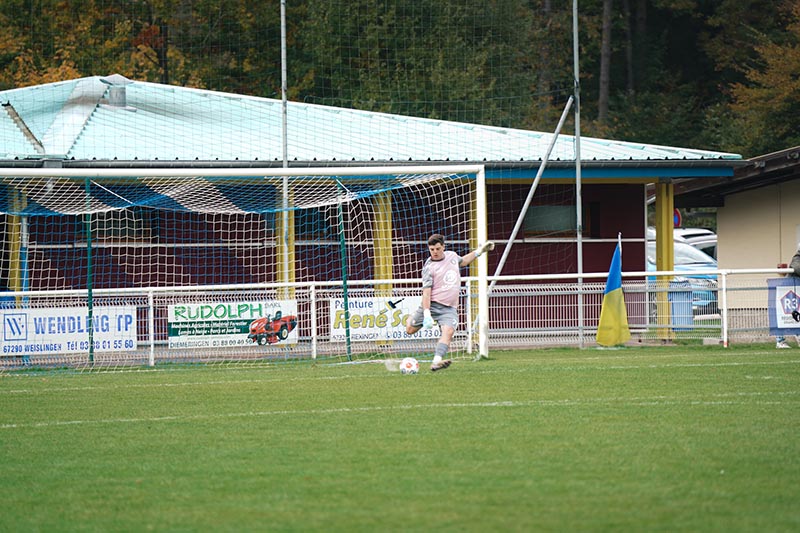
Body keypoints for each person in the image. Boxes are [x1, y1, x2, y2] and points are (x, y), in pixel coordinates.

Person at [405, 233, 495, 370]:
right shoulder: (428, 267)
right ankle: (411, 318)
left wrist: (479, 251)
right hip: (432, 305)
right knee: (410, 329)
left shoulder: (452, 256)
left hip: (449, 309)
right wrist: (427, 314)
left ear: (443, 247)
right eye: (432, 249)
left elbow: (463, 261)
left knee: (448, 331)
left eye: (437, 249)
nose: (435, 252)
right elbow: (426, 293)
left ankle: (436, 361)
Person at [776, 243, 800, 348]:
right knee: (783, 315)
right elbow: (797, 268)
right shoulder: (797, 259)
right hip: (788, 291)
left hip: (796, 292)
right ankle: (780, 340)